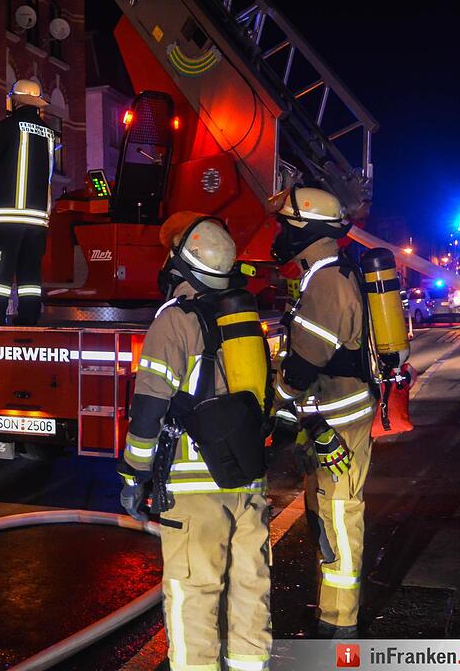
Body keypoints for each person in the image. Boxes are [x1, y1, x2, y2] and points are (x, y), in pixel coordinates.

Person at [119, 216, 272, 671]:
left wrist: (133, 472)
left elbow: (149, 405)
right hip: (247, 477)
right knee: (251, 586)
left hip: (194, 486)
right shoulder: (241, 319)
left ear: (180, 263)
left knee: (194, 593)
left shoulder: (175, 321)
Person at [270, 187, 374, 639]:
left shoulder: (327, 281)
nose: (281, 234)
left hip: (339, 422)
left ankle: (340, 625)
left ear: (305, 230)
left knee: (339, 516)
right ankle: (332, 613)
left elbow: (303, 365)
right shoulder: (327, 274)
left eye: (286, 225)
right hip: (331, 418)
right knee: (326, 514)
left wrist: (280, 405)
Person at [0, 79, 56, 326]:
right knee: (30, 272)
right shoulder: (49, 133)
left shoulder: (8, 126)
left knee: (0, 270)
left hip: (10, 215)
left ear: (15, 99)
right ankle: (29, 317)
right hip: (38, 218)